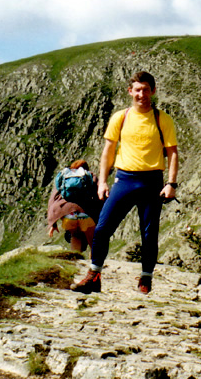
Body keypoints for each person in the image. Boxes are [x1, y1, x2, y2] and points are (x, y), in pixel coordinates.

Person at [72, 71, 178, 294]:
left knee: (149, 233)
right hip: (124, 179)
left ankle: (146, 279)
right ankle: (94, 275)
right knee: (102, 228)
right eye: (138, 90)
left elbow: (173, 153)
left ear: (153, 91)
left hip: (152, 182)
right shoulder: (120, 117)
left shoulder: (162, 119)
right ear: (130, 92)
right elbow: (107, 152)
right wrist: (102, 182)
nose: (142, 94)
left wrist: (171, 183)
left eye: (146, 89)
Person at [46, 159, 100, 254]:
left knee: (75, 235)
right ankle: (94, 265)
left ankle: (76, 262)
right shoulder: (89, 175)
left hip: (67, 214)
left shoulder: (64, 177)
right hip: (85, 213)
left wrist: (52, 223)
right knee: (94, 240)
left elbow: (52, 200)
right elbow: (99, 196)